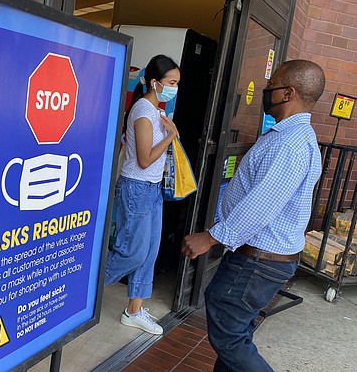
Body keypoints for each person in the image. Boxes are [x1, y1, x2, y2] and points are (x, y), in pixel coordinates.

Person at [181, 59, 326, 371]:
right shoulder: (291, 137)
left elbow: (260, 205)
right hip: (264, 258)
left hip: (258, 260)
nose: (265, 90)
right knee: (237, 332)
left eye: (270, 85)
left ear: (288, 93)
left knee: (230, 337)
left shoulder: (290, 143)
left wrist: (210, 238)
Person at [104, 55, 180, 335]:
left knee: (148, 253)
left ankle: (133, 311)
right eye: (171, 83)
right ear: (154, 82)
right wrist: (171, 136)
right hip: (136, 188)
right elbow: (145, 159)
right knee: (132, 252)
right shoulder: (143, 111)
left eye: (176, 83)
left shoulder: (156, 111)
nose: (174, 88)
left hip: (151, 188)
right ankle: (83, 289)